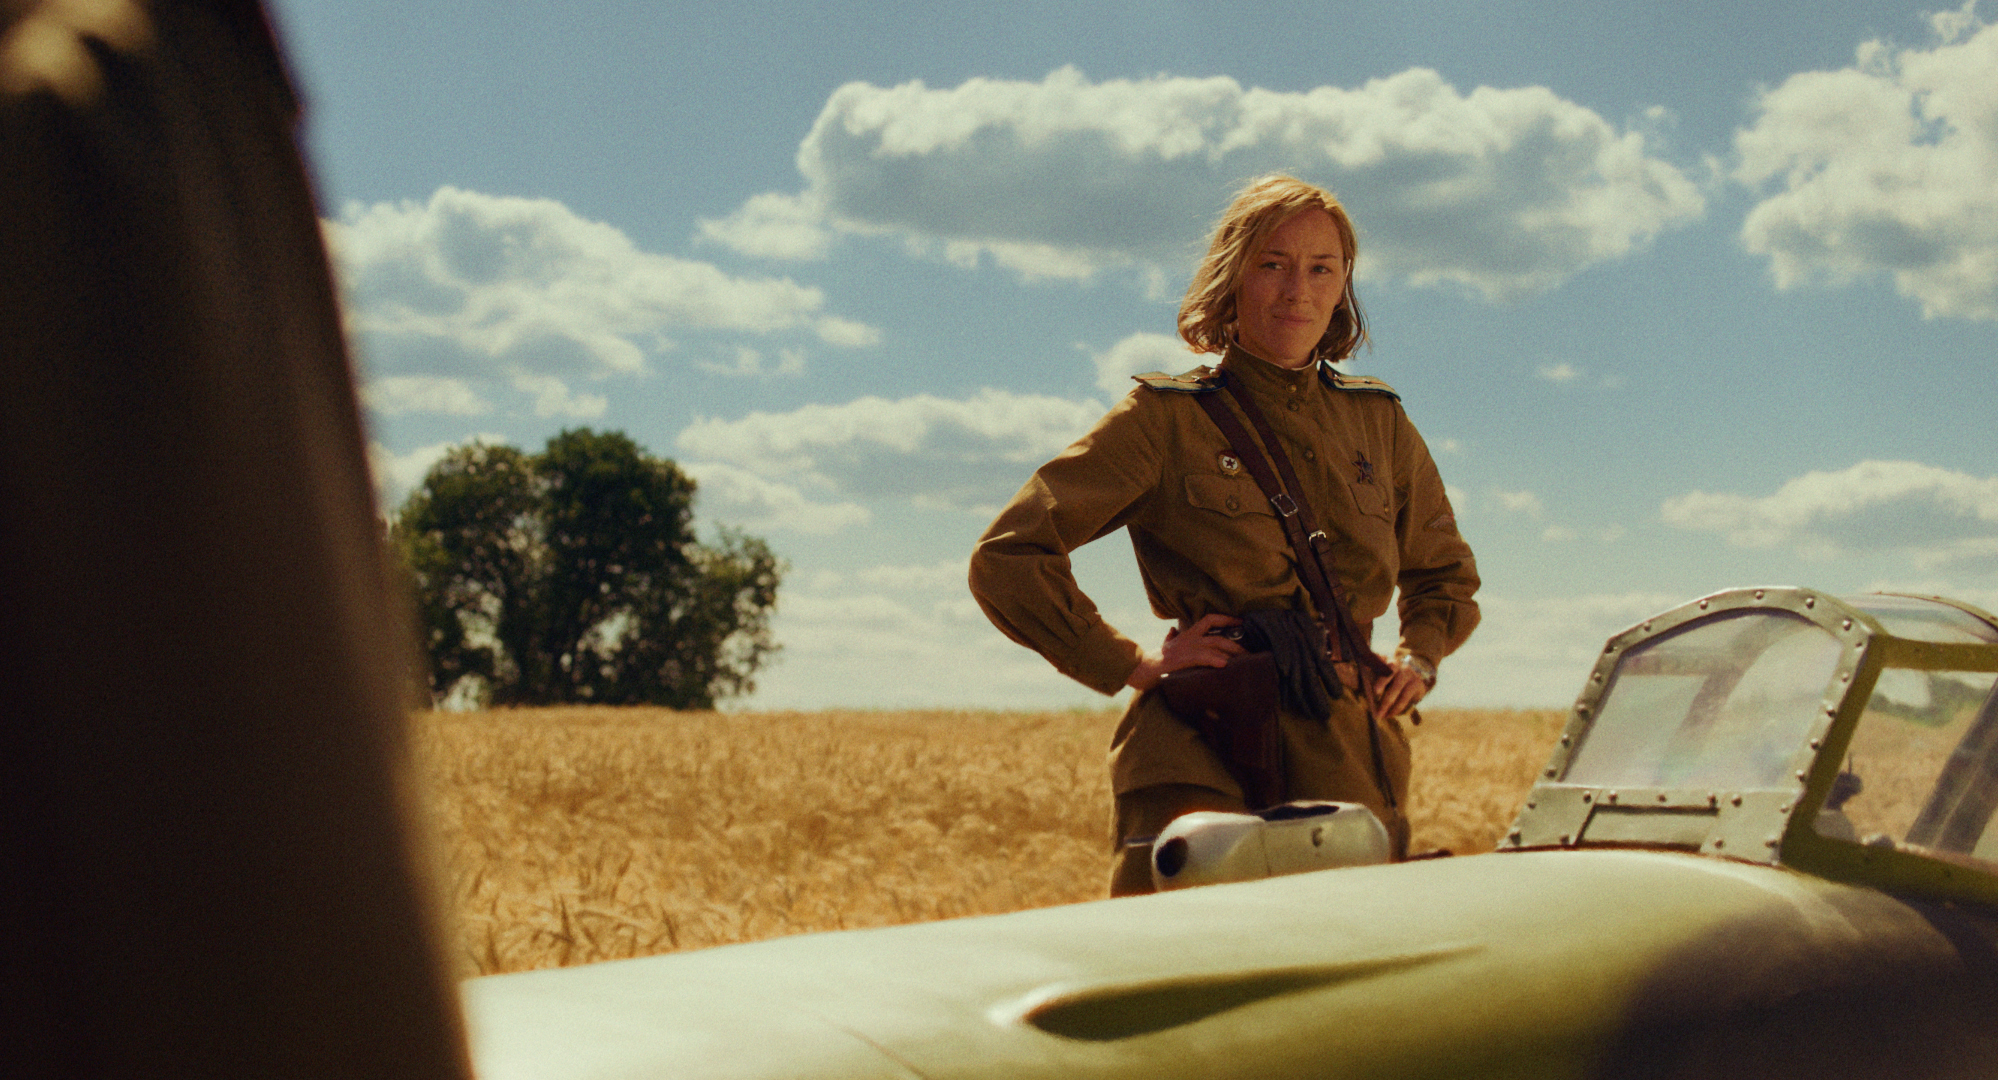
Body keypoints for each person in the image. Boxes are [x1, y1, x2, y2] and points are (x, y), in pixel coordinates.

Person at [969, 174, 1480, 896]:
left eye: (1321, 268)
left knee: (1341, 956)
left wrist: (1419, 657)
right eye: (1273, 264)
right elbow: (1009, 555)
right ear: (1233, 275)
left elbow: (1444, 573)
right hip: (1201, 743)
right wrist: (1130, 663)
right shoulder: (1166, 417)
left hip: (1345, 751)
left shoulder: (1380, 423)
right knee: (1181, 954)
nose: (1297, 290)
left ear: (1344, 286)